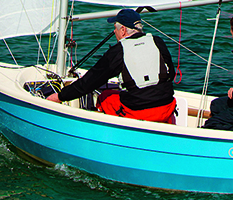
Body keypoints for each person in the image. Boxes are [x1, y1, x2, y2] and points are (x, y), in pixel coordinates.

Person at [46, 8, 177, 123]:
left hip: (138, 112)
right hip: (166, 107)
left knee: (104, 97)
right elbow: (170, 74)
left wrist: (60, 96)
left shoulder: (118, 51)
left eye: (115, 28)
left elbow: (89, 82)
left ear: (123, 30)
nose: (114, 32)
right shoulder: (157, 41)